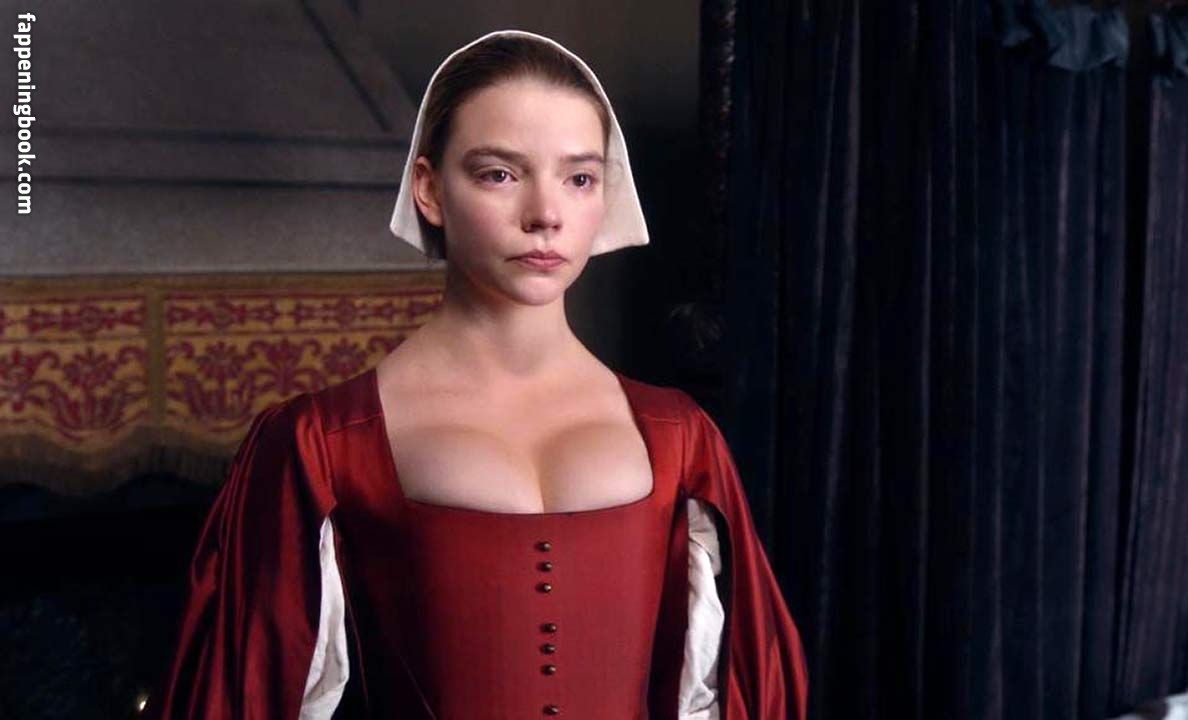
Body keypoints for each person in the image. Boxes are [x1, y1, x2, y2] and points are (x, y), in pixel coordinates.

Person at [147, 29, 808, 719]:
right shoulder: (319, 443)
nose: (545, 215)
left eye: (579, 178)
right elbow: (237, 697)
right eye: (500, 174)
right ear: (430, 189)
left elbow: (746, 690)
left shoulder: (681, 438)